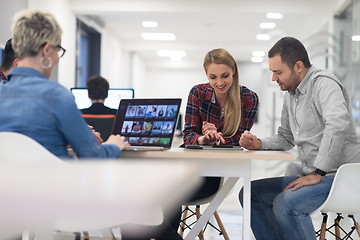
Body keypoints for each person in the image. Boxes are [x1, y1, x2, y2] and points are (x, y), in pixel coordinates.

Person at [239, 36, 360, 240]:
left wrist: (317, 172)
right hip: (313, 175)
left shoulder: (324, 84)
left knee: (287, 204)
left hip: (341, 178)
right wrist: (259, 144)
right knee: (250, 195)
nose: (273, 79)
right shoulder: (291, 94)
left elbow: (338, 125)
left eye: (278, 72)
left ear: (298, 66)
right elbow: (286, 137)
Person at [0, 8, 128, 159]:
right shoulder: (56, 96)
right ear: (46, 50)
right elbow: (92, 155)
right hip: (53, 180)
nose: (57, 57)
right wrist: (113, 144)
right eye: (58, 50)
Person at [176, 48, 258, 233]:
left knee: (166, 196)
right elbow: (188, 134)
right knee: (163, 192)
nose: (219, 82)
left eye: (225, 76)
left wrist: (218, 140)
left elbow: (239, 140)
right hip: (188, 169)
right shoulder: (197, 93)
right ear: (206, 75)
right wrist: (204, 139)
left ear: (234, 71)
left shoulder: (249, 98)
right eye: (213, 77)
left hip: (212, 175)